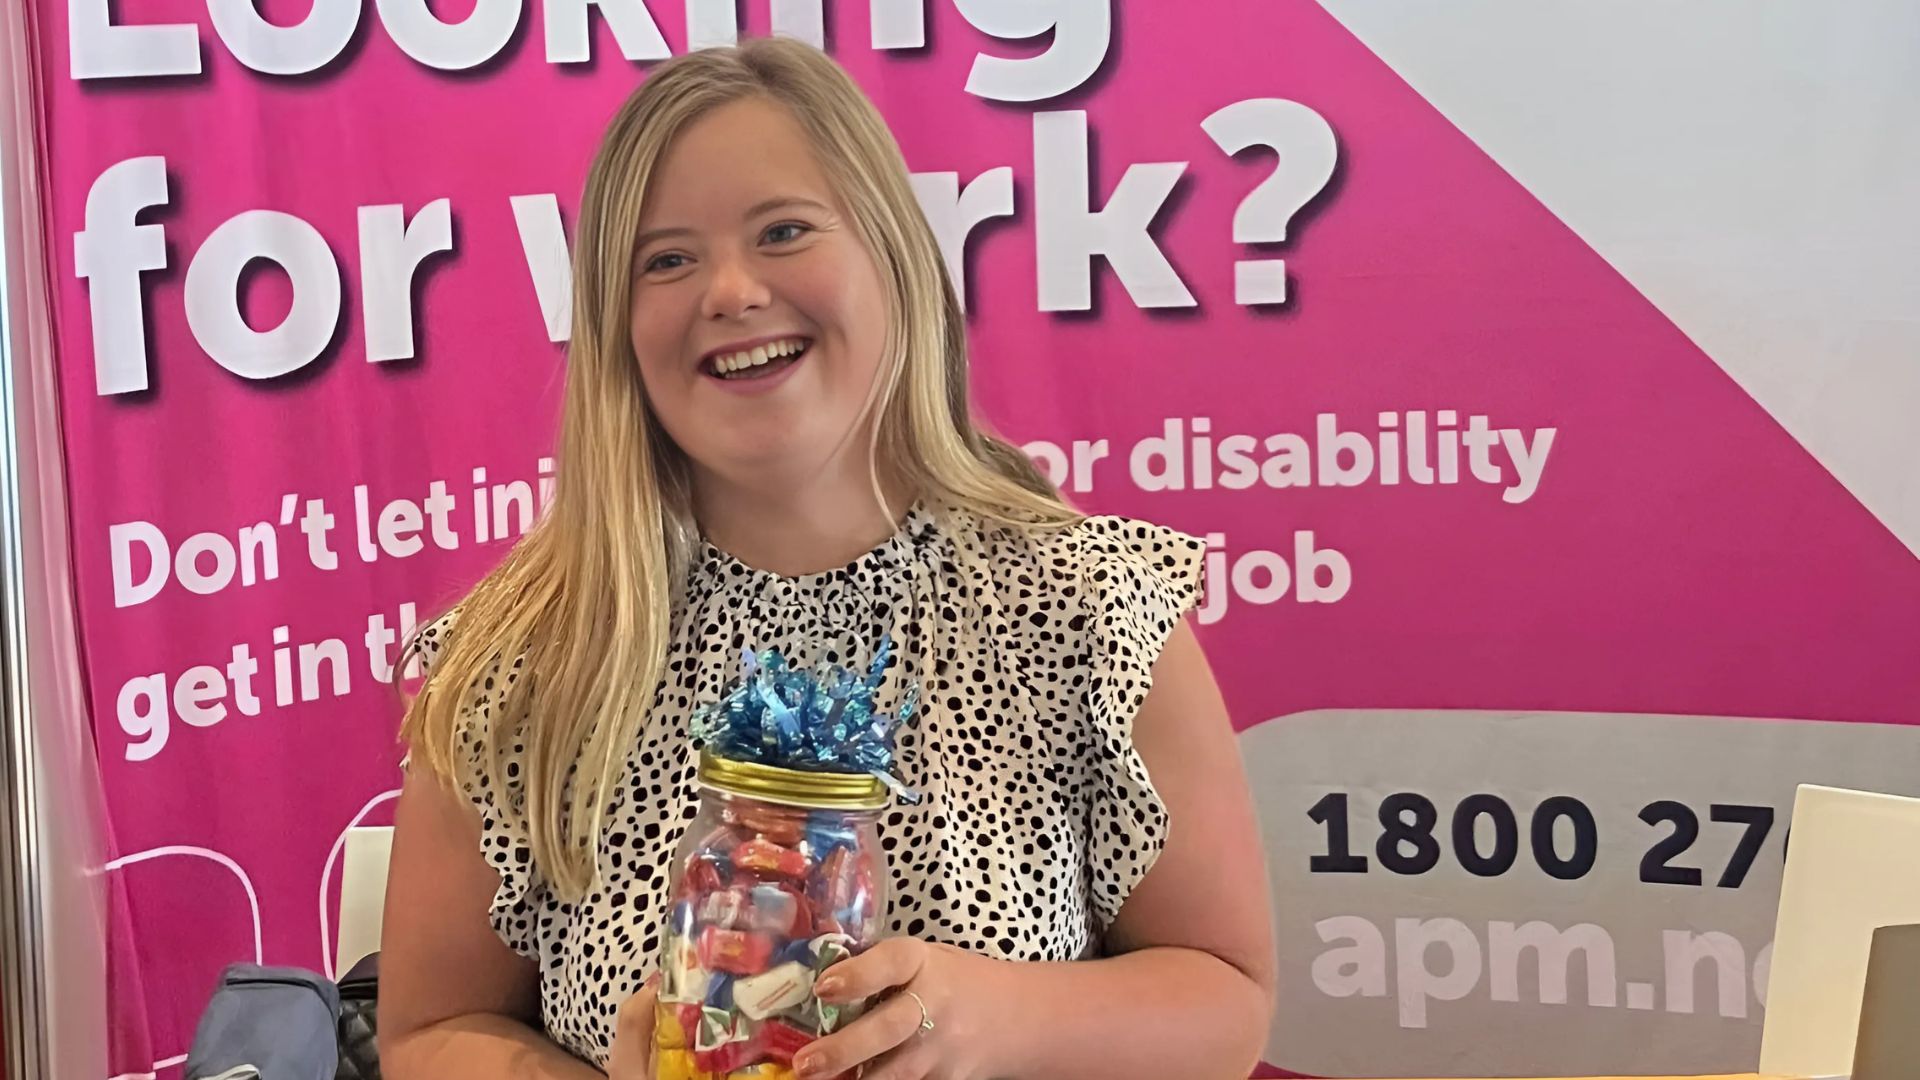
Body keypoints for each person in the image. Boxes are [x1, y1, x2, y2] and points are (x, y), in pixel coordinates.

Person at [377, 37, 1274, 1080]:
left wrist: (1001, 1017)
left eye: (784, 230)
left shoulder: (1090, 607)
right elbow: (428, 1033)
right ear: (615, 329)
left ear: (893, 257)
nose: (732, 290)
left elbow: (1227, 999)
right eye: (664, 260)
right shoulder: (524, 662)